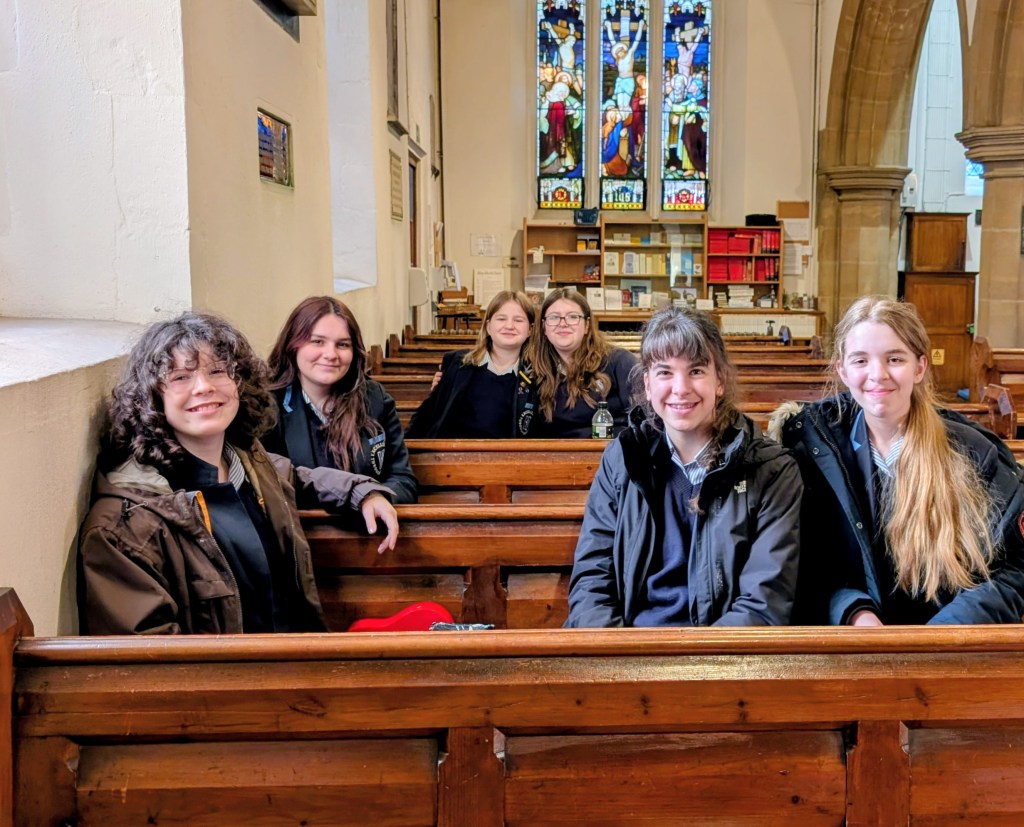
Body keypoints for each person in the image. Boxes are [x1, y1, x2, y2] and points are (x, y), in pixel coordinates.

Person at [78, 312, 399, 635]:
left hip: (296, 654)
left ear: (240, 383)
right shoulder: (126, 526)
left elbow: (299, 476)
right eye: (180, 377)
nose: (204, 387)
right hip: (234, 669)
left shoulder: (248, 463)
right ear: (152, 396)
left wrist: (363, 493)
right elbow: (150, 653)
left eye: (218, 371)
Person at [773, 296, 1024, 625]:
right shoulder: (814, 454)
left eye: (894, 359)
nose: (878, 374)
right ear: (842, 370)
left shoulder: (975, 453)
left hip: (953, 642)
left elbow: (1013, 568)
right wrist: (853, 611)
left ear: (919, 367)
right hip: (854, 642)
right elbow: (808, 562)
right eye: (861, 360)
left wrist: (946, 633)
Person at [566, 305, 802, 627]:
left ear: (720, 380)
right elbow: (592, 580)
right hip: (625, 646)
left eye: (696, 371)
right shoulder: (622, 459)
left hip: (724, 652)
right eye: (665, 372)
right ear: (648, 384)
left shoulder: (771, 470)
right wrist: (617, 651)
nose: (680, 389)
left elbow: (763, 603)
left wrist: (699, 659)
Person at [264, 296, 417, 504]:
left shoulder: (375, 399)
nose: (331, 354)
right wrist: (354, 495)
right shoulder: (268, 406)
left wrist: (378, 498)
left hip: (367, 522)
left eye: (343, 345)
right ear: (293, 345)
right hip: (298, 523)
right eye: (317, 341)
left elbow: (403, 479)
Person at [407, 290, 536, 439]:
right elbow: (426, 417)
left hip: (511, 453)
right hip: (452, 451)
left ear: (530, 330)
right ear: (488, 326)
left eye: (518, 320)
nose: (509, 325)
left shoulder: (537, 376)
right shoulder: (457, 364)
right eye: (501, 318)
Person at [527, 287, 637, 438]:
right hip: (557, 452)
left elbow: (645, 422)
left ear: (586, 325)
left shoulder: (620, 362)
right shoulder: (535, 371)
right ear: (544, 327)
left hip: (611, 450)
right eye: (554, 317)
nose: (563, 323)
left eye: (573, 317)